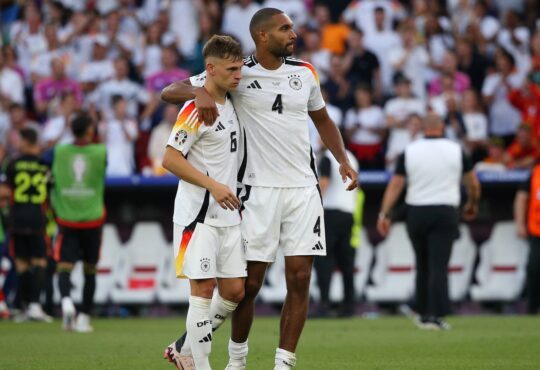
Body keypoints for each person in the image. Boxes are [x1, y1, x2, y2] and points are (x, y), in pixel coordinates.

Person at [161, 8, 358, 370]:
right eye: (285, 29)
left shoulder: (306, 73)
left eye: (292, 28)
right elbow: (169, 91)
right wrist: (197, 92)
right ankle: (236, 360)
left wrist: (343, 159)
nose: (293, 33)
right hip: (255, 191)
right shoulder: (237, 72)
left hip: (302, 190)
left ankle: (283, 364)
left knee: (300, 278)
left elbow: (323, 120)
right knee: (246, 287)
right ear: (263, 36)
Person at [162, 34, 246, 370]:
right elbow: (170, 159)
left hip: (227, 214)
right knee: (202, 290)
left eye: (240, 68)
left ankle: (183, 347)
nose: (238, 75)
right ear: (209, 69)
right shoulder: (196, 109)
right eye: (231, 69)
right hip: (198, 214)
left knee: (235, 292)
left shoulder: (230, 99)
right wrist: (213, 185)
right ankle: (199, 364)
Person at [377, 114, 480, 330]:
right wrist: (471, 204)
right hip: (445, 210)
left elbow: (396, 185)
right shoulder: (456, 150)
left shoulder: (410, 150)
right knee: (438, 265)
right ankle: (437, 314)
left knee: (422, 264)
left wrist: (384, 213)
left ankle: (422, 312)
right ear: (442, 126)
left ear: (424, 127)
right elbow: (472, 184)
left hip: (416, 212)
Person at [51, 113, 107, 333]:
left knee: (64, 267)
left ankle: (66, 303)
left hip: (67, 219)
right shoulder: (100, 151)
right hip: (92, 220)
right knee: (90, 269)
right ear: (90, 131)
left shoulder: (59, 152)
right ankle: (84, 317)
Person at [3, 128, 51, 322]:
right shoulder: (44, 165)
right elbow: (50, 191)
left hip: (17, 219)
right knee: (40, 262)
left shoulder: (13, 163)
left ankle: (25, 306)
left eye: (19, 140)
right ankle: (35, 305)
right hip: (38, 218)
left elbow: (6, 192)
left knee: (21, 263)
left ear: (25, 141)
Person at [313, 139, 360, 317]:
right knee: (346, 261)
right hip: (348, 213)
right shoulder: (352, 158)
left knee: (324, 260)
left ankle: (324, 303)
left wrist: (315, 204)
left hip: (330, 212)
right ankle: (349, 305)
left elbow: (324, 181)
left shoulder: (327, 157)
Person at [514, 164, 540, 314]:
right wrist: (520, 224)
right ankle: (533, 306)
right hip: (537, 231)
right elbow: (521, 198)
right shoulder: (535, 173)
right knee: (534, 268)